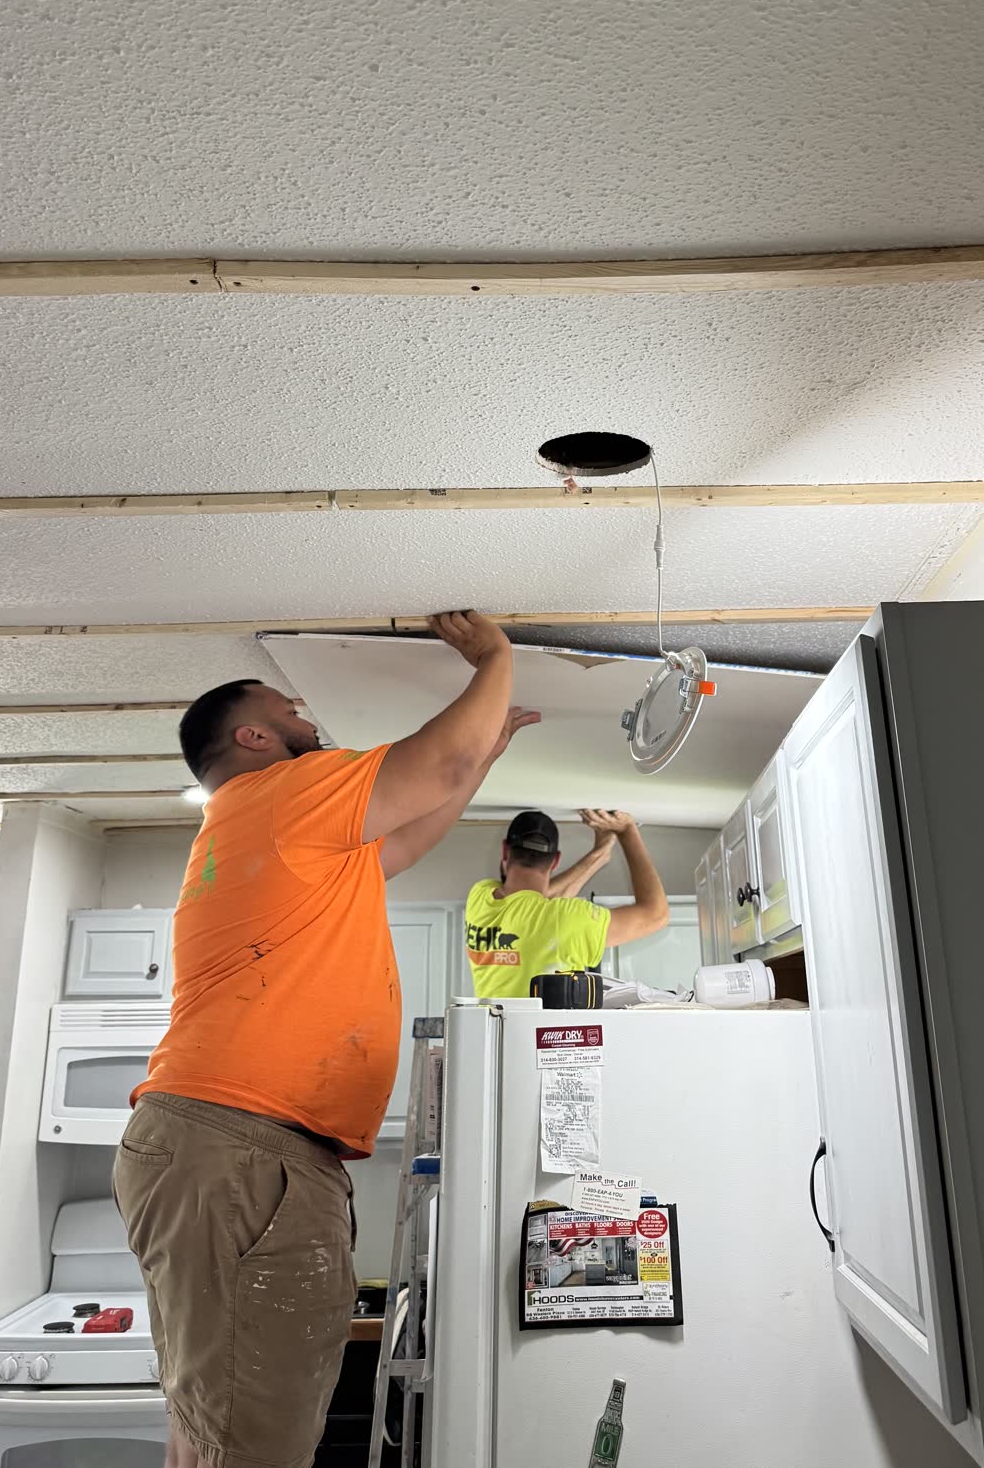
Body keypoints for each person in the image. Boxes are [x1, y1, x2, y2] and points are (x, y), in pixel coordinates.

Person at [113, 611, 538, 1468]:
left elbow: (409, 833)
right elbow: (439, 763)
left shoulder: (274, 827)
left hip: (225, 1147)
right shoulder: (281, 796)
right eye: (291, 708)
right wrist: (494, 658)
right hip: (242, 1149)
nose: (307, 717)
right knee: (251, 1440)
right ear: (253, 736)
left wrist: (481, 756)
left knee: (220, 1426)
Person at [464, 807, 669, 999]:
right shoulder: (565, 919)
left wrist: (598, 856)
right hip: (545, 1028)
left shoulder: (479, 896)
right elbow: (656, 914)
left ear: (504, 851)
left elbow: (532, 902)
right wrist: (626, 831)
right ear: (555, 861)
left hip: (490, 1023)